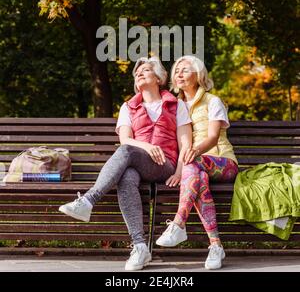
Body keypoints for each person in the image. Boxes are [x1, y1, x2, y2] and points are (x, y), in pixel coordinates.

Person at [59, 56, 192, 271]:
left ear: (158, 78)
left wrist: (178, 172)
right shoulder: (128, 107)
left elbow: (186, 142)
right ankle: (140, 247)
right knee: (127, 176)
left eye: (146, 70)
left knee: (127, 153)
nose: (139, 73)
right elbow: (125, 140)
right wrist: (147, 147)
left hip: (165, 166)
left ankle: (88, 201)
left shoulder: (177, 105)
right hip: (137, 163)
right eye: (137, 72)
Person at [156, 55, 238, 270]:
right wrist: (179, 171)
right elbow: (183, 144)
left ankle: (178, 223)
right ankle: (215, 245)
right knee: (198, 179)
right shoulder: (174, 106)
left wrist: (194, 153)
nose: (179, 73)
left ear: (199, 75)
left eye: (185, 69)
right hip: (195, 166)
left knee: (196, 166)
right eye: (176, 70)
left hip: (223, 162)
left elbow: (212, 137)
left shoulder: (213, 101)